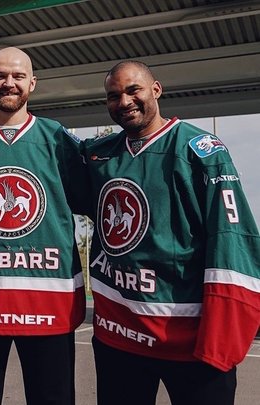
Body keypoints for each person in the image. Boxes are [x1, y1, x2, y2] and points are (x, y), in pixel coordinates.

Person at [81, 60, 260, 405]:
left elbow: (231, 238)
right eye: (114, 96)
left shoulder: (200, 149)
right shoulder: (99, 154)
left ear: (156, 90)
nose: (124, 101)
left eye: (133, 90)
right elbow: (49, 151)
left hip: (188, 343)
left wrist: (223, 335)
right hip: (119, 339)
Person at [0, 47, 89, 405]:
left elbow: (89, 197)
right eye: (0, 76)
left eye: (18, 76)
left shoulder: (58, 139)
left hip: (48, 305)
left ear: (32, 83)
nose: (9, 83)